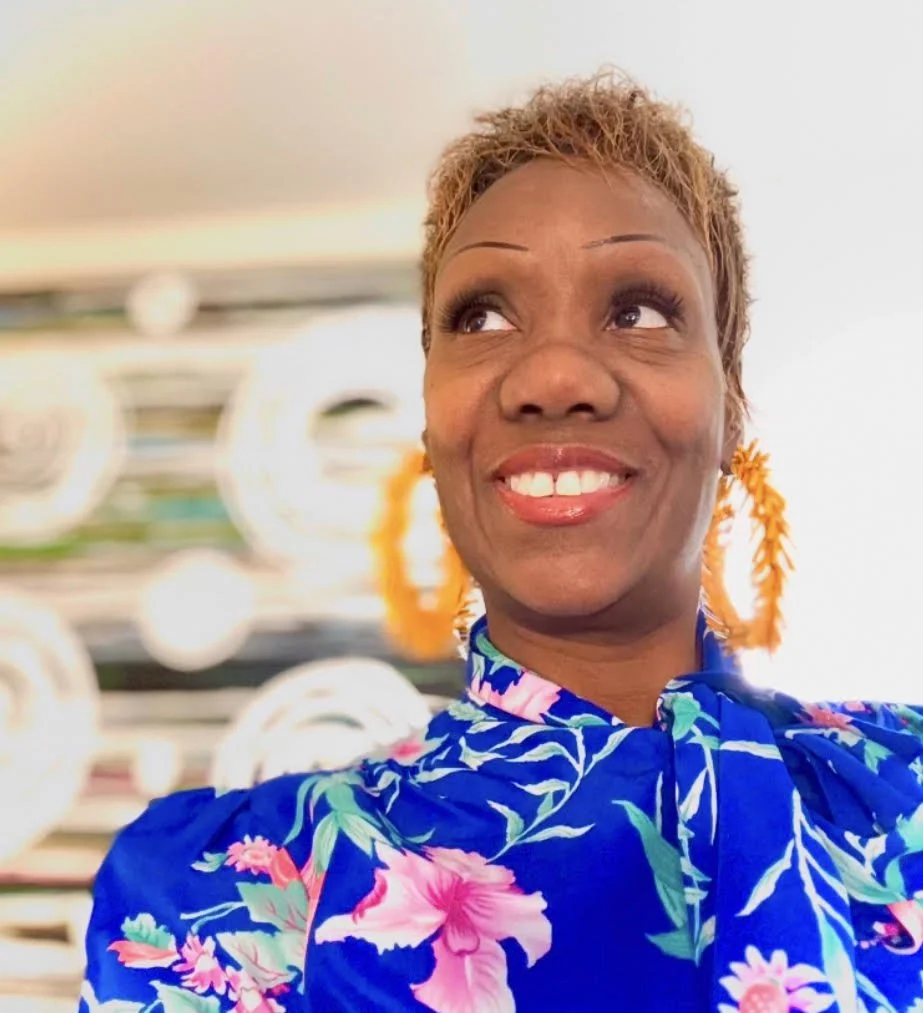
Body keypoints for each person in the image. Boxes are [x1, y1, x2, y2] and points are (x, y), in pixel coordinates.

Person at [80, 73, 923, 1013]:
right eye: (482, 316)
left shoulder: (908, 796)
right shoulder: (211, 896)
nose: (553, 375)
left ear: (730, 406)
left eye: (638, 311)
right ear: (432, 425)